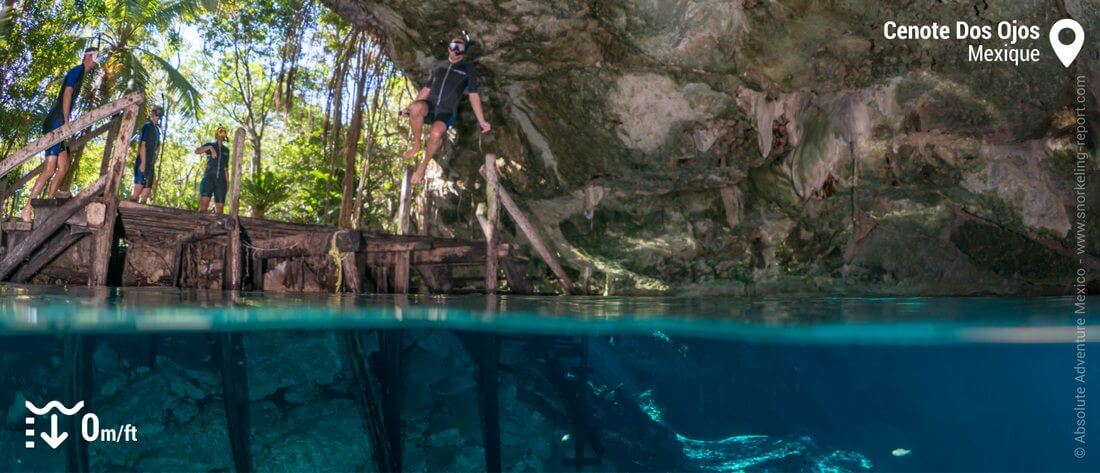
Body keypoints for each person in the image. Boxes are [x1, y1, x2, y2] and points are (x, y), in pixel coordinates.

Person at [22, 47, 99, 222]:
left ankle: (48, 204)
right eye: (94, 58)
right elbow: (67, 93)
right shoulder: (77, 70)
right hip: (56, 122)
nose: (95, 63)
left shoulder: (81, 75)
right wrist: (66, 122)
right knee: (49, 169)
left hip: (60, 123)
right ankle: (27, 208)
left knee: (63, 167)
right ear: (88, 56)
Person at [401, 36, 491, 185]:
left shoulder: (467, 68)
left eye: (461, 48)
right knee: (416, 107)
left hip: (447, 110)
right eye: (454, 46)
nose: (456, 50)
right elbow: (426, 89)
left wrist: (481, 120)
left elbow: (473, 95)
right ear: (449, 48)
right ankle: (417, 144)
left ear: (464, 51)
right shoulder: (438, 65)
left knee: (436, 134)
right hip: (429, 106)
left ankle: (423, 166)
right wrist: (408, 109)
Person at [130, 105, 163, 204]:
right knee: (138, 188)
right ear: (152, 114)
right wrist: (143, 162)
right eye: (156, 113)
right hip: (143, 160)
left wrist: (155, 159)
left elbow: (157, 147)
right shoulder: (147, 126)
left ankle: (139, 214)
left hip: (150, 163)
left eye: (159, 114)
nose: (157, 116)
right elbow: (142, 145)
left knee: (146, 191)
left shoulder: (157, 130)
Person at [194, 127, 230, 214]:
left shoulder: (226, 150)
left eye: (223, 133)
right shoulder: (210, 145)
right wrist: (210, 147)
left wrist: (228, 183)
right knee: (203, 207)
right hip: (208, 178)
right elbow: (197, 151)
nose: (221, 135)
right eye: (219, 132)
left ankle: (218, 227)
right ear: (216, 135)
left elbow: (226, 168)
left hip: (221, 181)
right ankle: (200, 226)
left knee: (220, 211)